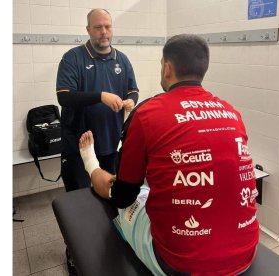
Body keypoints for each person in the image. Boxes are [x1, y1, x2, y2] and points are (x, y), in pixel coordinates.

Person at [80, 34, 259, 275]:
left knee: (129, 197)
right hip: (246, 251)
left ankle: (90, 165)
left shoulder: (148, 114)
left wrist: (94, 163)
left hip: (179, 264)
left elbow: (123, 197)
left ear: (167, 68)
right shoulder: (232, 113)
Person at [55, 8, 139, 275]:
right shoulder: (73, 58)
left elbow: (133, 89)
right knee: (79, 206)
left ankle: (105, 252)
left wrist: (130, 101)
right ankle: (74, 256)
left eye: (108, 27)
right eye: (98, 27)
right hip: (79, 147)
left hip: (109, 146)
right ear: (88, 29)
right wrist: (100, 95)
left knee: (108, 202)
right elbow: (64, 97)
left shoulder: (122, 59)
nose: (104, 32)